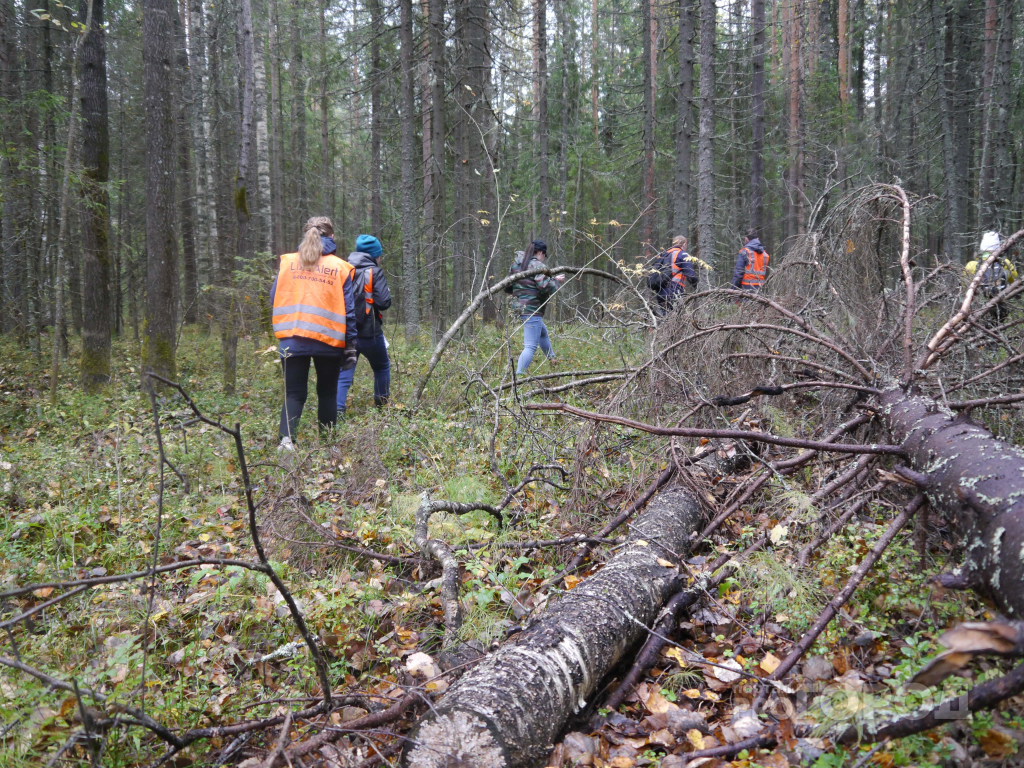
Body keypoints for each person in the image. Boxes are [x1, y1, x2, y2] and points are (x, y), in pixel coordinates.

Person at [270, 217, 357, 451]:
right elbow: (349, 311)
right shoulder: (339, 267)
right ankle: (329, 447)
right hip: (329, 340)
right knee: (327, 394)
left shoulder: (287, 263)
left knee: (294, 393)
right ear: (332, 237)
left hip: (291, 339)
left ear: (305, 235)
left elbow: (273, 298)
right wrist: (350, 345)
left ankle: (287, 443)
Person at [336, 235, 392, 414]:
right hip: (370, 333)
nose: (380, 258)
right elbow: (384, 303)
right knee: (382, 367)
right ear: (374, 255)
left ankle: (337, 412)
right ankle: (382, 408)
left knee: (344, 373)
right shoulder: (375, 272)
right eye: (379, 254)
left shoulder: (343, 269)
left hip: (347, 332)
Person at [505, 239, 564, 375]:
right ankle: (519, 376)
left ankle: (553, 361)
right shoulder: (537, 265)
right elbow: (544, 287)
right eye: (544, 255)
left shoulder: (517, 264)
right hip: (532, 310)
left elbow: (508, 286)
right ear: (541, 253)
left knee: (542, 332)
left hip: (520, 308)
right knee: (531, 346)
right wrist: (556, 281)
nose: (544, 258)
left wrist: (521, 293)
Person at [965, 231, 1018, 324]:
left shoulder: (972, 265)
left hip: (978, 307)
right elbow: (1015, 281)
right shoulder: (1006, 263)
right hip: (1000, 307)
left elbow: (964, 286)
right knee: (997, 329)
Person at [647, 235, 698, 313]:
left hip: (660, 291)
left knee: (663, 317)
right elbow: (690, 276)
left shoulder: (663, 255)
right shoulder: (682, 254)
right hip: (674, 290)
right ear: (684, 244)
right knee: (675, 317)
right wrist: (698, 286)